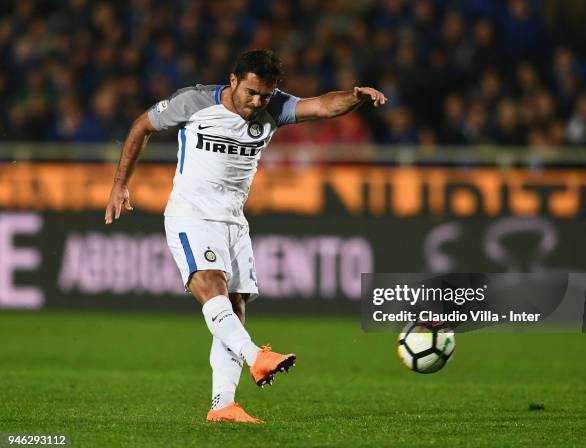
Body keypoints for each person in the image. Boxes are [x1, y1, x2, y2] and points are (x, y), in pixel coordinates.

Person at [104, 49, 386, 424]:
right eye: (251, 92)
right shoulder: (194, 101)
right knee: (210, 284)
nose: (257, 102)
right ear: (233, 80)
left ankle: (223, 405)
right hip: (191, 214)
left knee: (235, 307)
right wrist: (120, 185)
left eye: (264, 96)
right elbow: (142, 125)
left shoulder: (276, 108)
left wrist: (354, 96)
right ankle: (257, 357)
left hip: (234, 221)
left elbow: (322, 106)